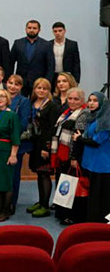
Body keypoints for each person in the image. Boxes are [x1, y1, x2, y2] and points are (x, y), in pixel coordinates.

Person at [52, 87, 89, 225]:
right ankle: (62, 212)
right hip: (62, 154)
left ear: (82, 100)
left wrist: (74, 157)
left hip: (73, 155)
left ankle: (71, 216)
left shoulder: (83, 114)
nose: (72, 101)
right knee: (63, 183)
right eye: (70, 98)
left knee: (72, 186)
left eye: (76, 99)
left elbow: (77, 139)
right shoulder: (67, 112)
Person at [0, 89, 21, 222]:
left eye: (2, 97)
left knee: (6, 183)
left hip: (6, 152)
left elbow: (15, 137)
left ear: (7, 99)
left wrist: (13, 155)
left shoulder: (12, 116)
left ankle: (5, 211)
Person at [25, 78, 59, 218]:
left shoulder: (51, 106)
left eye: (44, 88)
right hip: (35, 143)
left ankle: (45, 206)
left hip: (45, 144)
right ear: (34, 89)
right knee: (38, 173)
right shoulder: (32, 102)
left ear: (48, 90)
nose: (41, 90)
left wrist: (46, 147)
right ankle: (40, 201)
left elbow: (52, 128)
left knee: (45, 174)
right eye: (38, 88)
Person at [75, 92, 110, 223]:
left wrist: (79, 139)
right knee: (93, 195)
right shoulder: (92, 117)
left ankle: (101, 225)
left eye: (95, 100)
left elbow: (96, 142)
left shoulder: (105, 120)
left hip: (102, 164)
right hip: (90, 162)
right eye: (90, 100)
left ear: (102, 103)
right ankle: (92, 222)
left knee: (101, 197)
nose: (91, 103)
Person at [6, 74, 31, 213]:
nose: (13, 86)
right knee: (2, 173)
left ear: (21, 87)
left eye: (16, 84)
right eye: (10, 83)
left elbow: (23, 123)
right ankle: (0, 201)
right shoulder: (1, 97)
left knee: (14, 174)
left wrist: (9, 133)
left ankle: (11, 202)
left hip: (15, 142)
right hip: (1, 143)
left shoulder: (24, 101)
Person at [10, 20, 54, 96]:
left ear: (39, 30)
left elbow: (51, 65)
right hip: (21, 82)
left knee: (37, 102)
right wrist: (11, 79)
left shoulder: (47, 45)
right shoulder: (18, 43)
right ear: (26, 29)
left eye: (34, 28)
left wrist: (47, 81)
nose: (31, 30)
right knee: (20, 102)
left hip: (39, 83)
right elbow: (10, 63)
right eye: (29, 28)